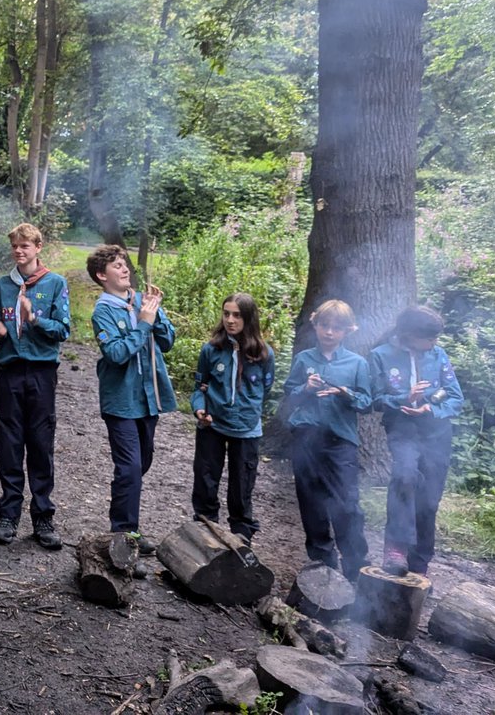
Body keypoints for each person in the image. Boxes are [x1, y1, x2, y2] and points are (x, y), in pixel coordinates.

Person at [86, 245, 178, 552]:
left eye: (125, 264)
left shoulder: (141, 301)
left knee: (141, 463)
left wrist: (155, 311)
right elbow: (116, 354)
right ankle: (125, 534)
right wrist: (144, 323)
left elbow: (167, 342)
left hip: (147, 398)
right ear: (102, 275)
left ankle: (128, 525)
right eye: (116, 266)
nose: (125, 269)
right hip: (121, 400)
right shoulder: (103, 311)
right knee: (128, 468)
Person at [0, 223, 71, 549]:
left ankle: (43, 516)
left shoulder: (54, 283)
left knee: (39, 441)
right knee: (8, 443)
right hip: (9, 372)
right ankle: (8, 515)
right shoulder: (3, 284)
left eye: (25, 246)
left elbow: (62, 330)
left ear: (38, 247)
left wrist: (34, 319)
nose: (20, 252)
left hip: (40, 373)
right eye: (15, 247)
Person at [282, 299, 373, 580]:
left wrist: (347, 394)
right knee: (311, 502)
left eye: (337, 328)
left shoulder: (357, 364)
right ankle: (323, 564)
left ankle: (355, 565)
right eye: (324, 325)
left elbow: (367, 402)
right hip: (307, 439)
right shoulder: (305, 359)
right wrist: (305, 388)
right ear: (316, 325)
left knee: (347, 503)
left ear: (348, 330)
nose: (329, 332)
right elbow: (290, 395)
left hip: (340, 442)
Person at [370, 305, 463, 576]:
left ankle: (420, 562)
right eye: (430, 338)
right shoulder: (381, 356)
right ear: (409, 334)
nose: (434, 343)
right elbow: (376, 399)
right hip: (403, 428)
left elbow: (455, 397)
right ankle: (396, 550)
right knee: (405, 476)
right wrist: (404, 399)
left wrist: (430, 408)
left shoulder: (438, 355)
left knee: (429, 498)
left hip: (436, 431)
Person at [191, 293, 275, 545]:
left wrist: (247, 408)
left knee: (242, 485)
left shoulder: (263, 354)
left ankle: (241, 536)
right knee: (205, 479)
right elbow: (200, 386)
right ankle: (205, 530)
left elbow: (266, 389)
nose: (230, 320)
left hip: (246, 428)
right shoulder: (211, 349)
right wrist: (199, 409)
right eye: (226, 313)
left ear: (249, 318)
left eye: (237, 315)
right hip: (212, 425)